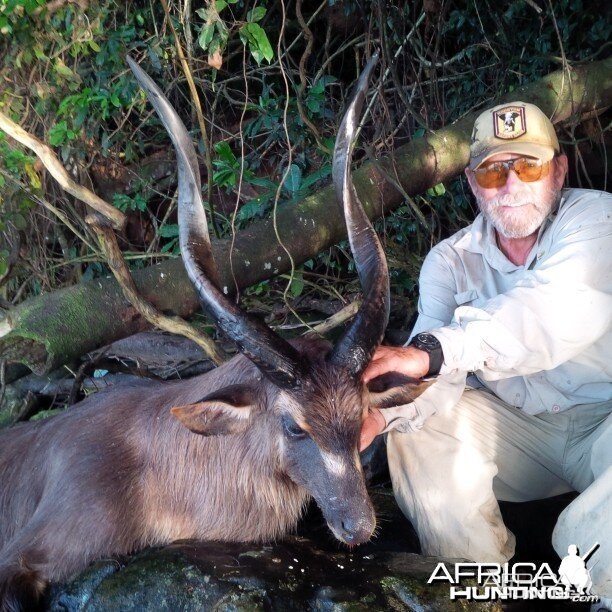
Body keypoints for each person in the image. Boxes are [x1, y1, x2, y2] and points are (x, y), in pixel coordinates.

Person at [360, 101, 612, 605]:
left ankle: (593, 577)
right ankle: (479, 589)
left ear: (559, 171)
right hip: (517, 434)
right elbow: (435, 381)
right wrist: (375, 418)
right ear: (473, 184)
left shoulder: (598, 219)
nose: (512, 184)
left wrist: (431, 350)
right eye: (494, 171)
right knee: (412, 428)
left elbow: (548, 315)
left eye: (529, 165)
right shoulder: (449, 263)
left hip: (603, 424)